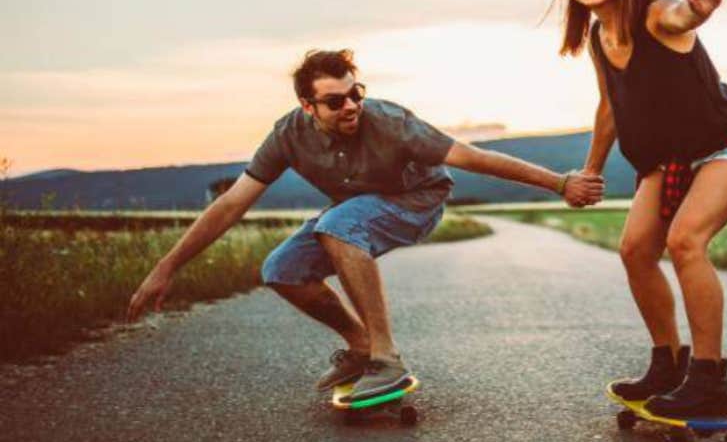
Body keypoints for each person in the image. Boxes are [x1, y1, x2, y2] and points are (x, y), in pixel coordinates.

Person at [126, 49, 603, 401]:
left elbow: (475, 157)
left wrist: (560, 182)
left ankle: (385, 358)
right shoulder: (286, 136)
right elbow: (231, 205)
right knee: (281, 269)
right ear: (307, 107)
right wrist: (166, 268)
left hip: (419, 202)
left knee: (338, 225)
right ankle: (358, 345)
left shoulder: (391, 121)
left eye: (356, 93)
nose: (351, 106)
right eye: (335, 102)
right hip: (356, 208)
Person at [552, 0, 727, 418]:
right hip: (671, 159)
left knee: (685, 242)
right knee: (635, 249)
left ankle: (708, 380)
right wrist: (591, 171)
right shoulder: (599, 37)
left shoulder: (655, 14)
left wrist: (699, 9)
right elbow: (610, 108)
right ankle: (668, 364)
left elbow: (682, 17)